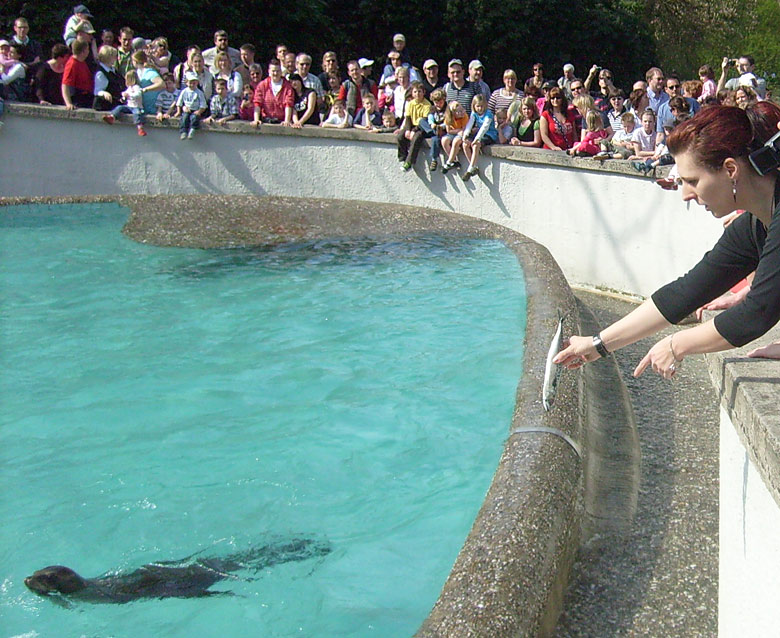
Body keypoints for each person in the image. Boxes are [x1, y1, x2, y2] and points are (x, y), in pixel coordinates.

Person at [554, 103, 780, 379]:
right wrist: (597, 345)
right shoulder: (757, 223)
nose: (685, 194)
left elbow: (757, 313)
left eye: (693, 181)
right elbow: (688, 291)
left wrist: (677, 344)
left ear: (730, 169)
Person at [396, 80, 432, 171]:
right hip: (412, 125)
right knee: (400, 136)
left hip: (421, 127)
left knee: (416, 138)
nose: (417, 94)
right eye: (415, 92)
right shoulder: (411, 103)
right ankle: (403, 157)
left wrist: (413, 131)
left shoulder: (427, 104)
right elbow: (408, 117)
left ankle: (409, 162)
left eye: (419, 91)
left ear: (423, 92)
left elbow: (423, 121)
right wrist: (408, 130)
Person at [461, 93, 498, 180]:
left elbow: (484, 127)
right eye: (478, 106)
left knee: (475, 145)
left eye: (482, 106)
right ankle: (473, 166)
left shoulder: (488, 114)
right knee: (465, 144)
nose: (480, 108)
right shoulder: (474, 114)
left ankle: (470, 169)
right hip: (479, 134)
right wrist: (465, 135)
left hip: (489, 135)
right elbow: (470, 124)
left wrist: (477, 139)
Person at [102, 69, 147, 136]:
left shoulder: (137, 87)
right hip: (129, 106)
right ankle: (112, 117)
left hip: (136, 106)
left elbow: (137, 95)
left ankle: (140, 128)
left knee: (137, 113)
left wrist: (129, 95)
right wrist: (123, 99)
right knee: (119, 107)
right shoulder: (129, 88)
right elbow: (126, 96)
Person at [252, 58, 294, 126]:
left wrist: (287, 120)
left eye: (278, 71)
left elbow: (289, 104)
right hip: (266, 121)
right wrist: (256, 119)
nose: (275, 73)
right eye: (273, 71)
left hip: (281, 121)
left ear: (281, 71)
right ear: (269, 71)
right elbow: (257, 103)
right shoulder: (262, 85)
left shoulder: (288, 86)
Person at [418, 88, 447, 170]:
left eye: (440, 102)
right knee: (422, 121)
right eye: (436, 102)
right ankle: (432, 132)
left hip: (442, 129)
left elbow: (448, 122)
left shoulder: (447, 109)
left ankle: (434, 159)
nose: (438, 104)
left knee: (435, 140)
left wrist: (441, 126)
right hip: (433, 129)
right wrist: (431, 124)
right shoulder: (433, 108)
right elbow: (430, 117)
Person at [539, 87, 576, 151]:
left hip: (569, 150)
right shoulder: (545, 115)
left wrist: (574, 147)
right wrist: (553, 147)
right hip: (551, 151)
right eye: (552, 98)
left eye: (558, 97)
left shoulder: (569, 113)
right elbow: (544, 135)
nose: (555, 100)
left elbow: (574, 134)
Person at [174, 71, 207, 139]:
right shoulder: (184, 91)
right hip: (187, 109)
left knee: (194, 118)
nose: (192, 85)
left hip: (196, 110)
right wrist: (179, 111)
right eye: (190, 83)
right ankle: (183, 131)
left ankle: (192, 129)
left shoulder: (199, 93)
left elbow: (203, 104)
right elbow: (179, 102)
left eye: (194, 83)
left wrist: (199, 111)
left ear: (197, 83)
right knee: (185, 117)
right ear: (186, 83)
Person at [132, 50, 165, 117]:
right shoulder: (137, 72)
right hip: (143, 107)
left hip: (153, 107)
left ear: (135, 61)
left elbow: (162, 84)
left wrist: (146, 89)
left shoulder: (150, 72)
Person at [61, 39, 93, 109]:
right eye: (87, 49)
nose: (88, 51)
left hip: (86, 98)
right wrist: (68, 103)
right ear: (83, 51)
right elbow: (65, 85)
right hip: (78, 99)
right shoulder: (72, 64)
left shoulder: (81, 61)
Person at [441, 100, 469, 172]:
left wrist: (459, 131)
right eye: (459, 112)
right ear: (453, 113)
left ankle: (449, 162)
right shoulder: (449, 118)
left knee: (456, 141)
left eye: (462, 110)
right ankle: (454, 161)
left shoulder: (465, 116)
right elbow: (449, 130)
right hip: (454, 132)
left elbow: (464, 130)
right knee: (444, 140)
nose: (462, 112)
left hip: (462, 134)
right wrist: (458, 131)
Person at [92, 44, 122, 111]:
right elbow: (97, 91)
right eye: (114, 56)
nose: (116, 58)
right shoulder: (100, 73)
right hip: (103, 107)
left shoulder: (113, 70)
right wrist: (104, 93)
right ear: (108, 57)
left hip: (113, 106)